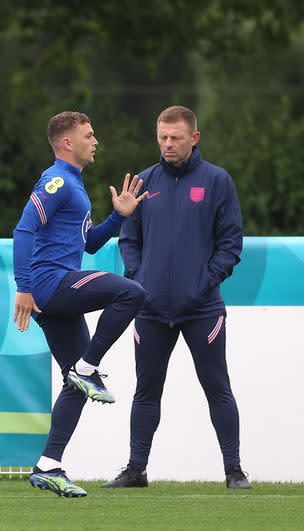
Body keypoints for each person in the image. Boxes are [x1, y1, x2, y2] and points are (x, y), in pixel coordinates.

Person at [104, 106, 249, 489]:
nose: (168, 144)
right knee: (145, 392)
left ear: (194, 138)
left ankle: (234, 471)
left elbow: (231, 244)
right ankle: (136, 471)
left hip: (203, 309)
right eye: (162, 137)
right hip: (149, 310)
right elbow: (129, 240)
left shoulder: (218, 181)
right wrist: (137, 279)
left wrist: (204, 282)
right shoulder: (143, 183)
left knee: (218, 388)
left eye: (176, 138)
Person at [12, 111, 147, 497]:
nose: (96, 141)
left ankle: (48, 465)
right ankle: (88, 368)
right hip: (49, 285)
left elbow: (87, 243)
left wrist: (118, 217)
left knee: (75, 382)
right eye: (89, 135)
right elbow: (24, 228)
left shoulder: (75, 185)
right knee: (132, 292)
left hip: (53, 291)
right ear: (67, 143)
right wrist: (24, 286)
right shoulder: (57, 180)